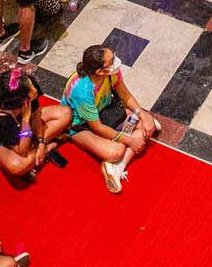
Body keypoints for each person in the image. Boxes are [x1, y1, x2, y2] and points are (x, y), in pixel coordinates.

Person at [65, 41, 157, 194]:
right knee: (116, 151)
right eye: (112, 61)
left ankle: (117, 168)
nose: (116, 61)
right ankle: (116, 160)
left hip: (108, 113)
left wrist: (143, 114)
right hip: (82, 126)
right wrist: (130, 141)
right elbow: (96, 127)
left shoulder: (112, 72)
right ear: (100, 71)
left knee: (147, 126)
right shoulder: (82, 90)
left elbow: (125, 96)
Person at [0, 61, 72, 180]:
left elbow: (36, 115)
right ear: (20, 100)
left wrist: (41, 142)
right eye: (31, 92)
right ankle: (51, 146)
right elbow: (21, 151)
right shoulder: (1, 119)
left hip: (26, 130)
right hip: (1, 142)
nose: (35, 91)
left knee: (65, 113)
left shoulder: (27, 85)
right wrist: (25, 120)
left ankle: (40, 149)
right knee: (19, 165)